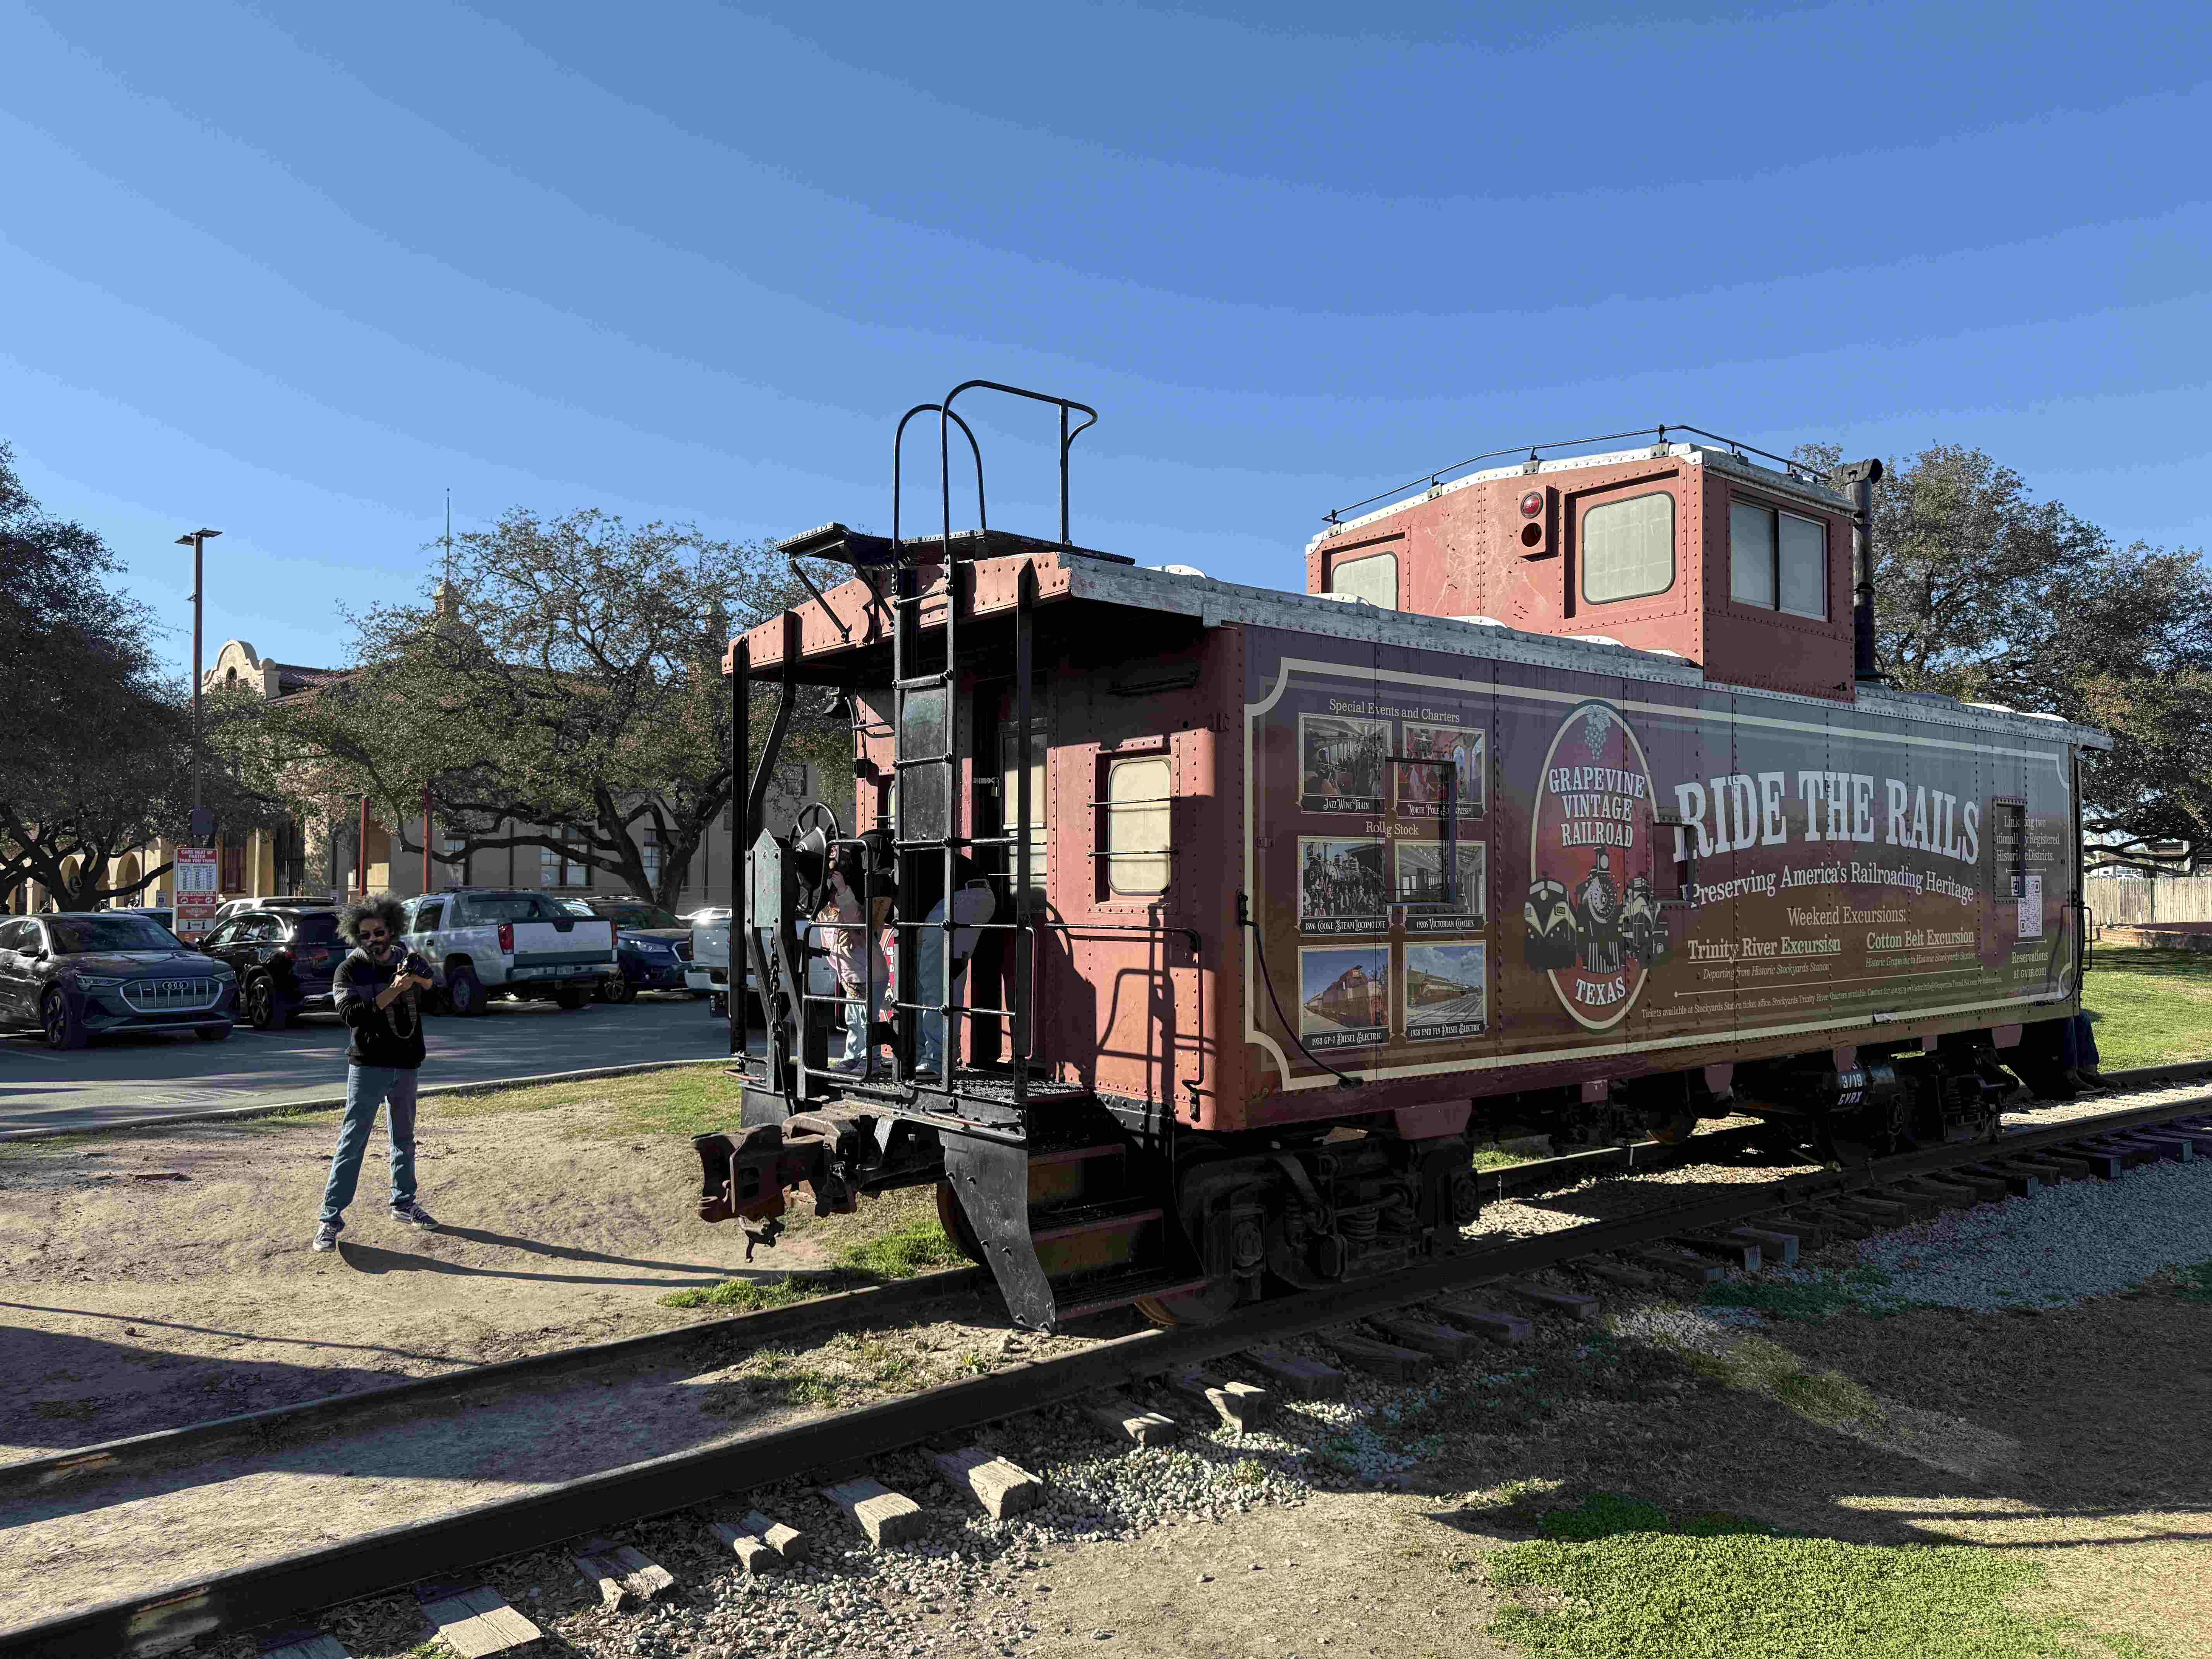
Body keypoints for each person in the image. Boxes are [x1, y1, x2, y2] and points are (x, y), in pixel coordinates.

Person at [313, 896, 438, 1251]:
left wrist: (424, 980)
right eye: (365, 935)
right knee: (352, 1144)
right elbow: (353, 1016)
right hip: (368, 1065)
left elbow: (436, 999)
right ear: (356, 936)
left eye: (379, 932)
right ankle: (330, 1219)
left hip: (407, 1063)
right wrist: (396, 989)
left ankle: (404, 1204)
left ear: (392, 930)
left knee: (404, 1139)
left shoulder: (407, 961)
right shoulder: (348, 970)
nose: (373, 940)